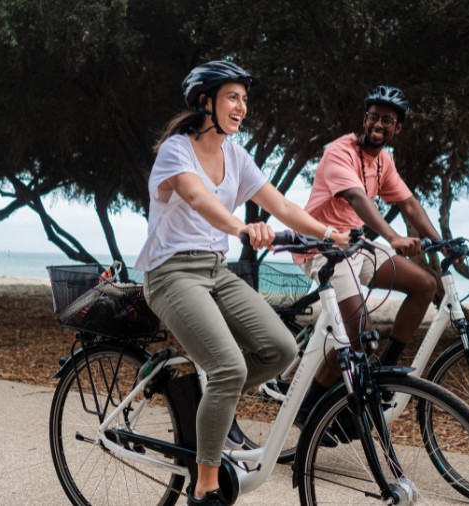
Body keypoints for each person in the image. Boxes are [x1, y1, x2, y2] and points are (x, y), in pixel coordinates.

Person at [134, 60, 348, 506]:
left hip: (215, 270)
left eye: (245, 99)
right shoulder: (177, 149)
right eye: (233, 97)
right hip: (170, 273)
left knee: (281, 350)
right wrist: (242, 228)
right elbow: (196, 196)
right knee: (230, 367)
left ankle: (208, 402)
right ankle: (205, 486)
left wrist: (330, 234)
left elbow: (282, 206)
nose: (242, 107)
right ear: (205, 101)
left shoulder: (237, 155)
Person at [293, 85, 440, 428]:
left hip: (357, 247)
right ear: (364, 119)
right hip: (325, 250)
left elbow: (408, 204)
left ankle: (386, 374)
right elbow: (358, 199)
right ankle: (307, 413)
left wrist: (441, 242)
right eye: (373, 116)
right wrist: (392, 236)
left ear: (397, 128)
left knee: (424, 285)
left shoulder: (383, 161)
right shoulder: (339, 152)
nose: (378, 123)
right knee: (362, 337)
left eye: (387, 119)